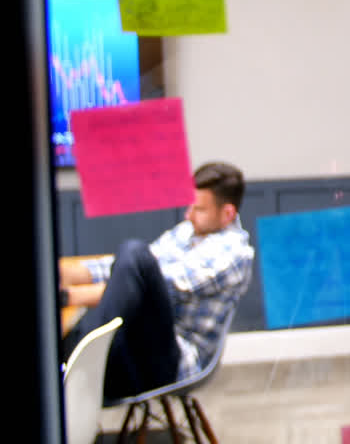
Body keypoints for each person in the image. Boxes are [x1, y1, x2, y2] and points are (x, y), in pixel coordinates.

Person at [60, 161, 255, 400]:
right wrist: (69, 273)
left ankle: (83, 372)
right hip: (144, 350)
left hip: (173, 365)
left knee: (134, 252)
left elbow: (152, 282)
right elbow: (129, 274)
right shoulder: (188, 231)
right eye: (190, 206)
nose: (188, 215)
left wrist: (67, 297)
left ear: (227, 214)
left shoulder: (234, 253)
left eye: (199, 209)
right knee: (132, 255)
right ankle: (81, 368)